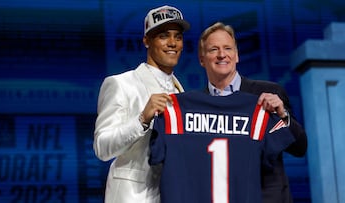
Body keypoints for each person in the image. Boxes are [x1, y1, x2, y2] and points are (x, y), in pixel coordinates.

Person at [197, 22, 307, 203]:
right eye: (213, 49)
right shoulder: (196, 106)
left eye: (228, 48)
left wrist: (283, 115)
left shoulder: (270, 93)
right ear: (202, 59)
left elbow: (300, 148)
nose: (222, 54)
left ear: (237, 55)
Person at [93, 5, 190, 203]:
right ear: (147, 41)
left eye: (178, 37)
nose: (172, 43)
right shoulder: (121, 84)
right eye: (164, 36)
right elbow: (102, 148)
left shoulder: (182, 93)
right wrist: (142, 120)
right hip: (133, 196)